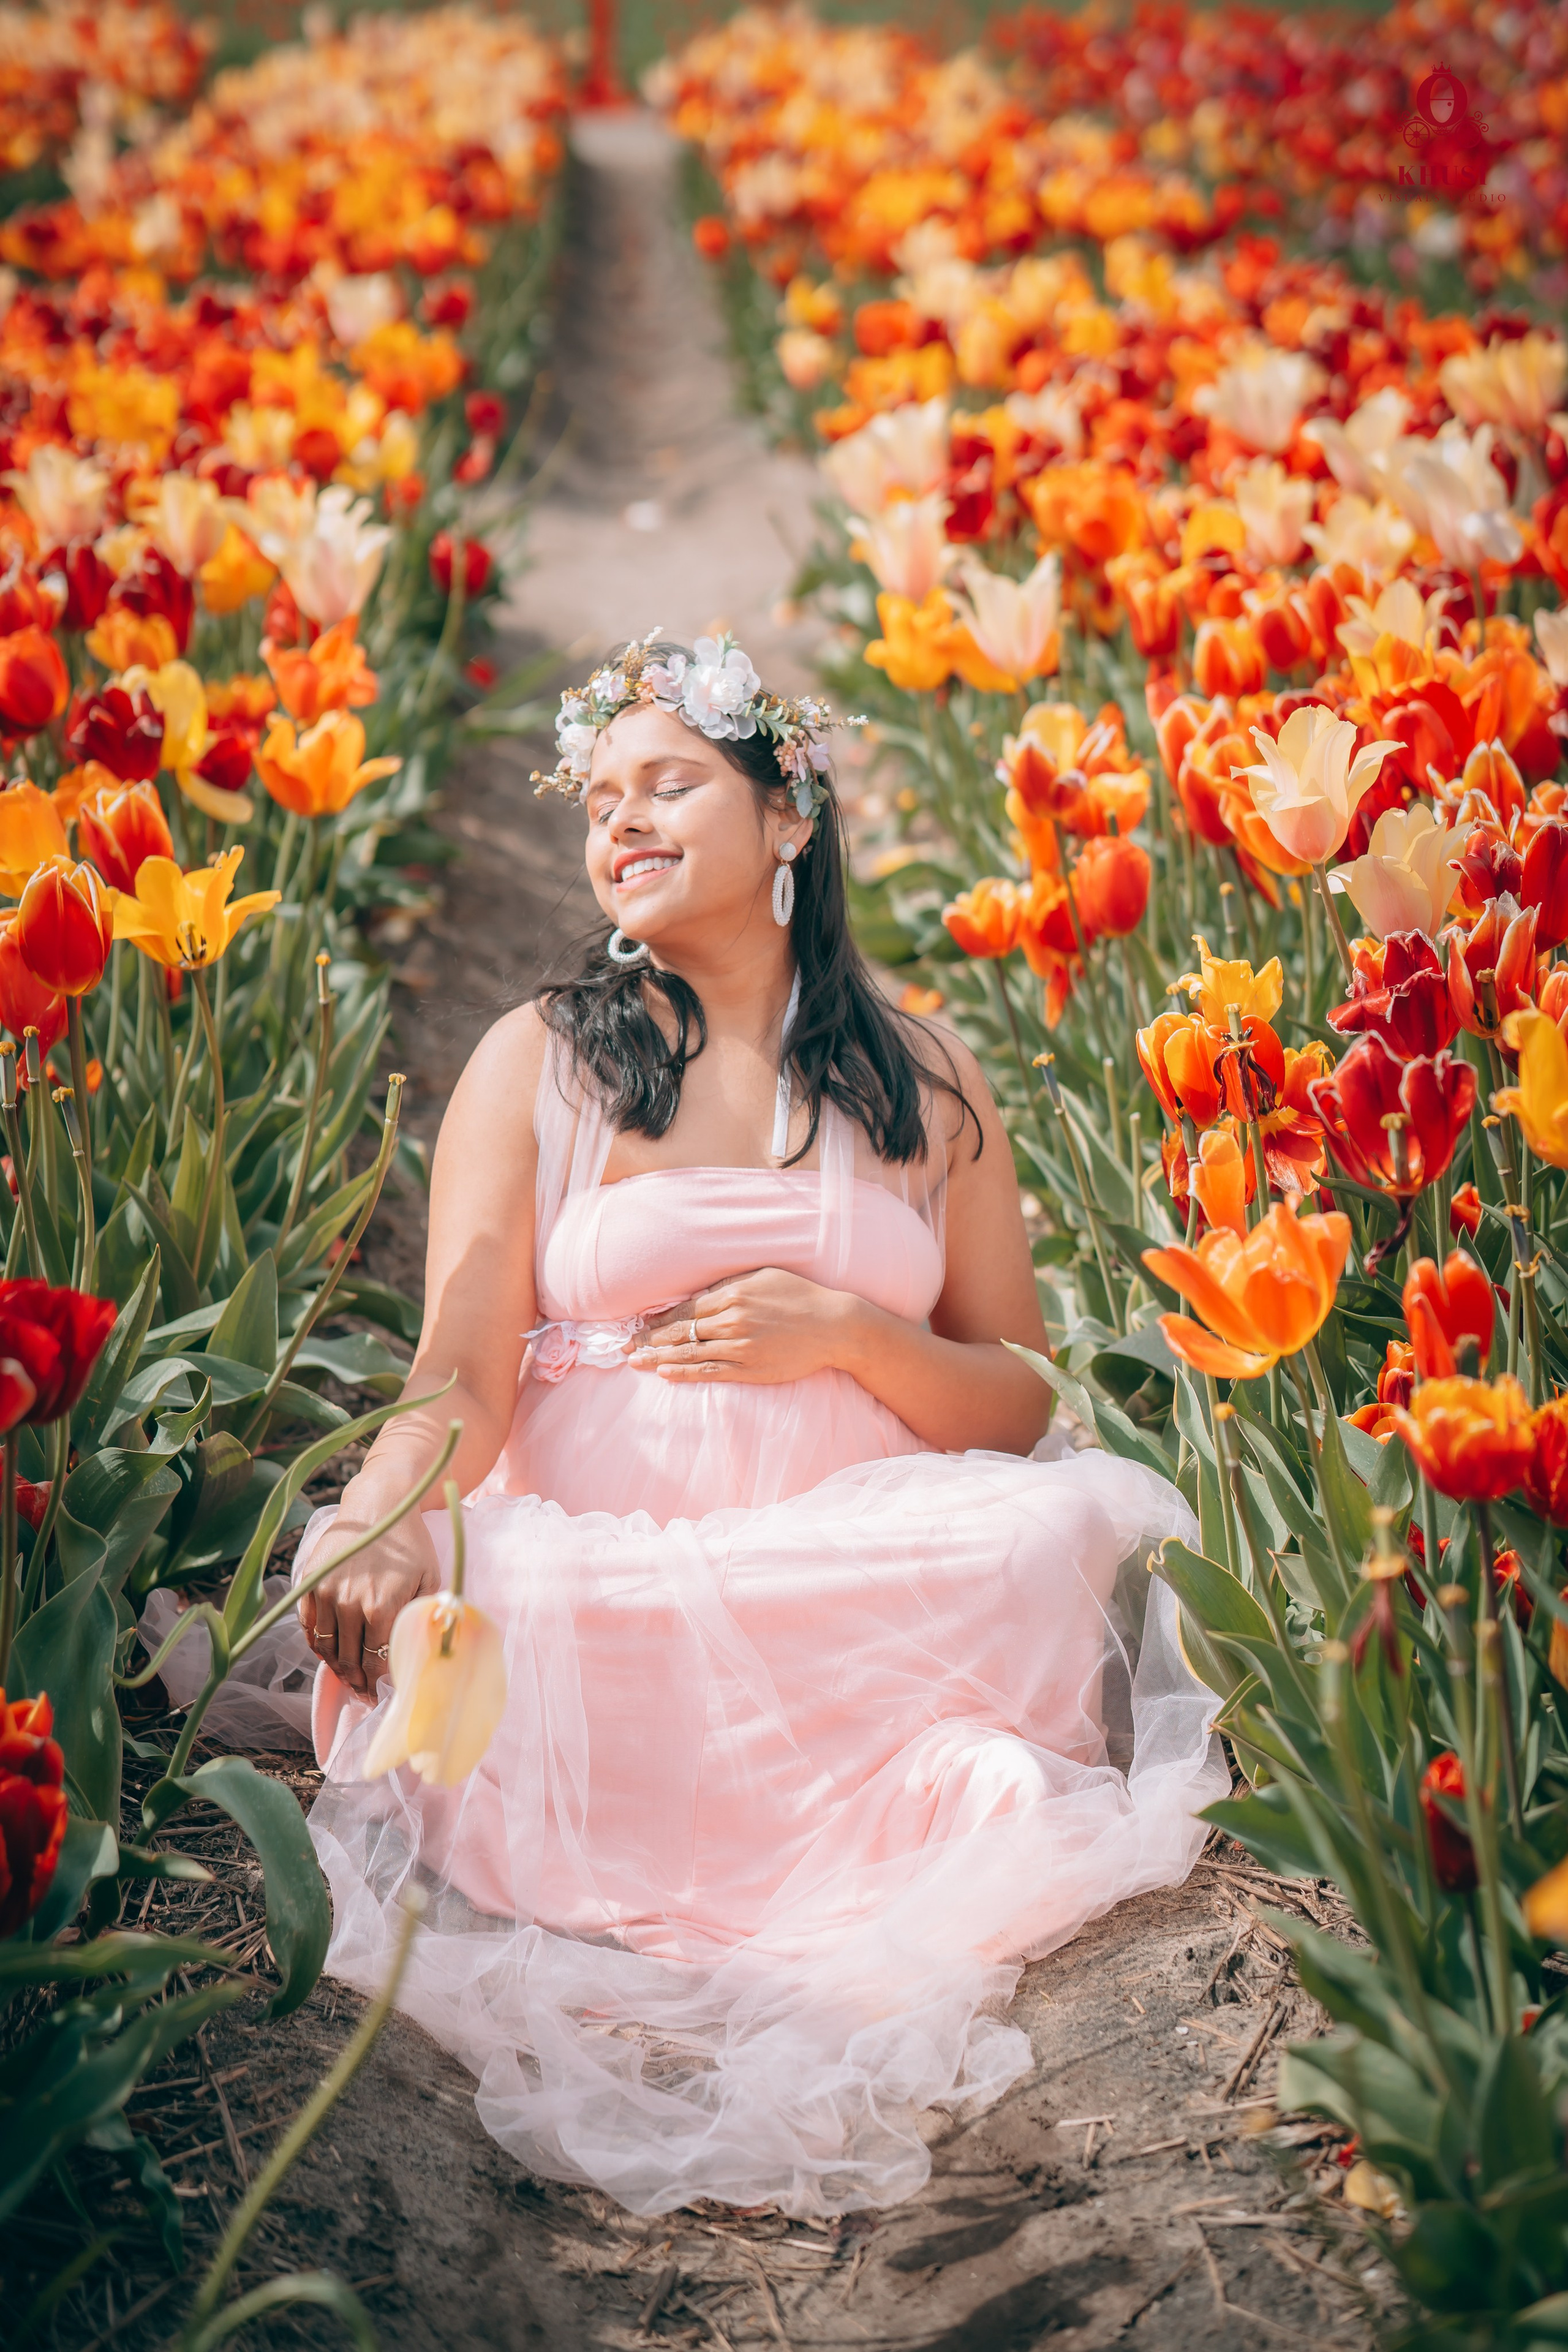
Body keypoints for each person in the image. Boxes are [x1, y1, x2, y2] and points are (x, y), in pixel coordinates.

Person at [287, 633, 1223, 2218]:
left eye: (669, 783)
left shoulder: (925, 1081)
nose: (621, 823)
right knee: (497, 1613)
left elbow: (1020, 1395)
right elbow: (460, 1360)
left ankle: (840, 1796)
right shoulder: (541, 1062)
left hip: (856, 1578)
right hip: (609, 1577)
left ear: (790, 816)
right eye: (600, 799)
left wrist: (854, 1335)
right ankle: (690, 1808)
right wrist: (390, 1511)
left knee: (1059, 1522)